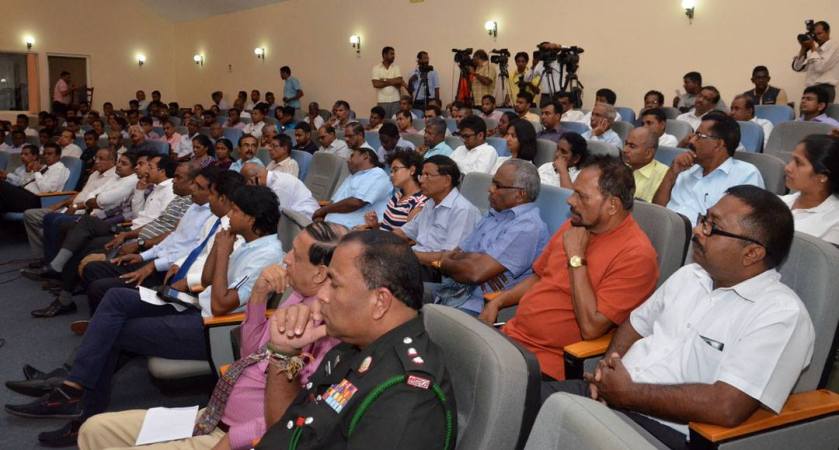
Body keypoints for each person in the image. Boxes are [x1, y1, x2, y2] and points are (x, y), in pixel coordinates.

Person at [6, 185, 283, 447]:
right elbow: (210, 278)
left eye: (235, 211)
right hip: (196, 306)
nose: (228, 214)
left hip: (213, 329)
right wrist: (220, 245)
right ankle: (73, 387)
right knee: (116, 299)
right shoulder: (245, 241)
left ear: (251, 217)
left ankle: (77, 402)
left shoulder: (267, 255)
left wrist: (222, 253)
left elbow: (223, 305)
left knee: (118, 331)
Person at [544, 186, 814, 449]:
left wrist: (628, 395)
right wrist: (606, 372)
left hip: (665, 431)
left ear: (752, 253)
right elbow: (635, 325)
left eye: (712, 226)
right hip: (609, 397)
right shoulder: (690, 275)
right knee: (516, 398)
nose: (698, 231)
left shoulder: (780, 314)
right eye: (703, 219)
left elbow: (727, 405)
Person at [77, 222, 346, 450]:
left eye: (295, 256)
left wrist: (232, 439)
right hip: (213, 415)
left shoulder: (328, 330)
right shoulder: (298, 295)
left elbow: (298, 415)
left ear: (321, 273)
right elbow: (250, 351)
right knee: (93, 430)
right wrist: (259, 295)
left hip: (235, 436)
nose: (286, 258)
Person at [253, 230, 456, 449]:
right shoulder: (351, 347)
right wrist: (284, 352)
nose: (322, 295)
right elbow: (289, 430)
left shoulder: (406, 395)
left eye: (334, 283)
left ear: (380, 302)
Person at [482, 155, 659, 382]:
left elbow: (591, 328)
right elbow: (539, 278)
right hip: (512, 337)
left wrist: (576, 258)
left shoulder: (637, 256)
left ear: (612, 205)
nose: (570, 201)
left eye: (581, 196)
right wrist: (499, 301)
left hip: (548, 363)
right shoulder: (576, 223)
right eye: (574, 192)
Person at [434, 159, 549, 315]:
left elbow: (474, 273)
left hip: (477, 306)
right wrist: (473, 260)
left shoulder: (527, 227)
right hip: (453, 291)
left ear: (520, 195)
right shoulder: (494, 214)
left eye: (498, 185)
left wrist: (445, 263)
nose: (490, 189)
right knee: (399, 293)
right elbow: (456, 253)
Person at [654, 112, 765, 226]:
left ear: (718, 144)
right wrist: (671, 173)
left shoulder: (745, 175)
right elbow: (657, 211)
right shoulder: (686, 170)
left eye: (699, 136)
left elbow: (743, 227)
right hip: (664, 234)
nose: (691, 141)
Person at [22, 148, 119, 265]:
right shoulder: (95, 173)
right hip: (69, 207)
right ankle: (43, 256)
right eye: (96, 158)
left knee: (52, 223)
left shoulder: (114, 177)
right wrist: (62, 203)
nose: (97, 161)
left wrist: (75, 206)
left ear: (112, 161)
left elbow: (98, 202)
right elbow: (82, 192)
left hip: (81, 214)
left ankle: (50, 259)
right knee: (30, 215)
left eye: (101, 159)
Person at [394, 155, 481, 281]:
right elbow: (403, 233)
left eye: (427, 175)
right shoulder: (430, 203)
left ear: (446, 180)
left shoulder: (462, 210)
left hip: (438, 271)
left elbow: (450, 257)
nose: (421, 180)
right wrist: (377, 239)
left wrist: (408, 255)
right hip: (417, 261)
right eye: (421, 175)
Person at [781, 134, 839, 245]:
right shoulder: (780, 202)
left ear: (822, 177)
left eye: (798, 163)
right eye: (791, 159)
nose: (787, 168)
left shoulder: (835, 223)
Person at [313, 146, 391, 228]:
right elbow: (334, 203)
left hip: (355, 230)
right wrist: (323, 215)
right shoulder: (352, 176)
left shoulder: (377, 174)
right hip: (330, 226)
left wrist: (322, 210)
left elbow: (356, 203)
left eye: (352, 156)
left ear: (365, 156)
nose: (347, 160)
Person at [363, 150, 427, 231]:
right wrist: (375, 225)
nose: (391, 175)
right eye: (391, 171)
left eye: (396, 170)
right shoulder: (398, 195)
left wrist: (373, 232)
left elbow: (407, 239)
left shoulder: (419, 203)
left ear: (412, 170)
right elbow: (388, 228)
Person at [0, 143, 70, 214]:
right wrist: (28, 171)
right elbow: (24, 183)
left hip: (37, 200)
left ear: (58, 156)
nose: (46, 156)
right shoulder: (45, 167)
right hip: (25, 194)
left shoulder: (59, 169)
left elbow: (47, 190)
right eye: (44, 153)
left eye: (49, 154)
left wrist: (36, 172)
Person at [242, 162, 319, 217]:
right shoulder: (272, 178)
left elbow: (279, 217)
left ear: (254, 180)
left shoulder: (279, 187)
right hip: (292, 217)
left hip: (305, 219)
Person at [792, 20, 838, 103]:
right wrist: (803, 48)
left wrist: (812, 47)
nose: (817, 37)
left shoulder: (834, 47)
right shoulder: (815, 49)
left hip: (824, 89)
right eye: (815, 34)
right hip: (809, 89)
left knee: (820, 116)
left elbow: (820, 68)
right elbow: (797, 68)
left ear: (828, 32)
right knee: (806, 116)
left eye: (819, 33)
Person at [622, 127, 668, 202]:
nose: (624, 150)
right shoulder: (618, 166)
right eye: (626, 144)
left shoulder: (664, 176)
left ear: (648, 153)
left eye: (632, 146)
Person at [372, 46, 405, 118]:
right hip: (382, 100)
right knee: (384, 122)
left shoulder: (396, 67)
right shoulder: (376, 68)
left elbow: (399, 81)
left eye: (394, 54)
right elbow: (376, 84)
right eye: (392, 54)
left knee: (395, 122)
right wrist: (393, 81)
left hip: (395, 100)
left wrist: (384, 80)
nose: (394, 56)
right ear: (384, 55)